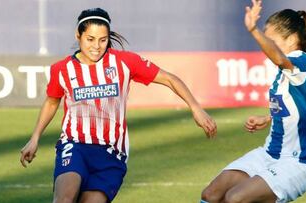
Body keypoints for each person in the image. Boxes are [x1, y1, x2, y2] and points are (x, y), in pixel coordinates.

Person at [19, 7, 217, 203]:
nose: (96, 46)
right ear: (78, 35)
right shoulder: (62, 69)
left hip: (112, 154)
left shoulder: (124, 62)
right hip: (74, 145)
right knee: (64, 199)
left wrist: (195, 108)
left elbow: (170, 79)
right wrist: (35, 138)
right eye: (90, 39)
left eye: (102, 40)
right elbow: (52, 101)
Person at [201, 0, 306, 202]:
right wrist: (269, 117)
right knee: (211, 194)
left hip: (298, 162)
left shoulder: (303, 61)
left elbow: (280, 58)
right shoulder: (288, 72)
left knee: (235, 198)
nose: (265, 46)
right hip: (270, 154)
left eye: (270, 41)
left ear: (291, 39)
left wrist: (253, 30)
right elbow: (299, 105)